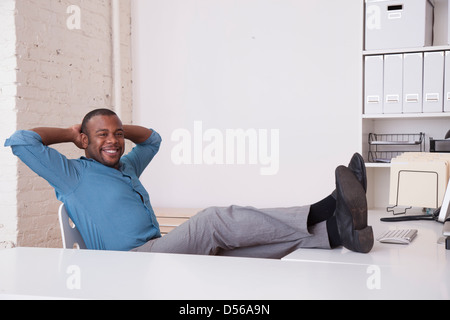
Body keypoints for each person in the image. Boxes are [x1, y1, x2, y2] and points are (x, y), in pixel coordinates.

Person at [4, 108, 374, 258]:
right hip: (129, 264)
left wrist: (116, 125)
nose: (114, 141)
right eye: (102, 135)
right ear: (85, 141)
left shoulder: (127, 168)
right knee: (214, 220)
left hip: (158, 249)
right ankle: (326, 207)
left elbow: (153, 140)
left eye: (117, 134)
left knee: (230, 252)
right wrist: (72, 133)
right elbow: (20, 141)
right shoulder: (72, 175)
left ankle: (336, 232)